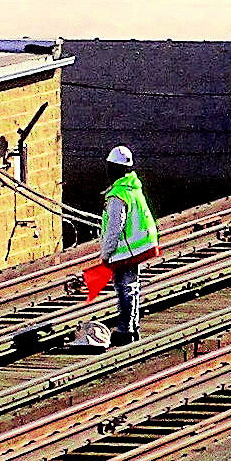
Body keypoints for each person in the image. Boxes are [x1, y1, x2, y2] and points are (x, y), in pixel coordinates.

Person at [91, 145, 160, 348]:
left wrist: (105, 254)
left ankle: (125, 330)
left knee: (124, 289)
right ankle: (133, 327)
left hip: (125, 250)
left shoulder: (118, 196)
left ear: (113, 168)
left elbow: (114, 229)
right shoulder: (133, 188)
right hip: (138, 246)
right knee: (133, 287)